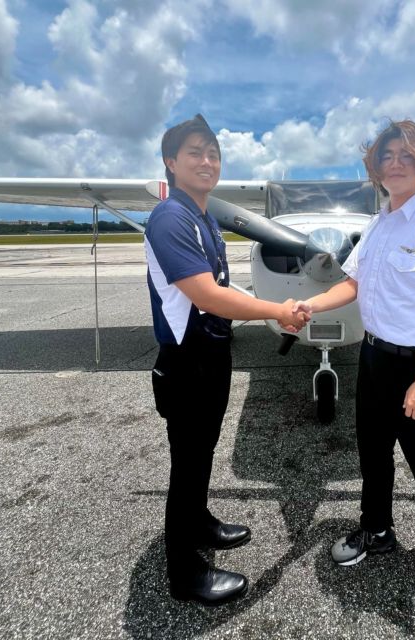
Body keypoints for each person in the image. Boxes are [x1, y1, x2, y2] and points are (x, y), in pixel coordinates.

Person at [293, 120, 415, 605]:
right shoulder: (376, 225)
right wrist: (309, 305)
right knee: (372, 454)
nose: (395, 163)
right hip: (372, 358)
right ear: (376, 167)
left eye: (406, 155)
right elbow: (352, 284)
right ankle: (377, 530)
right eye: (387, 156)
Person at [145, 114, 308, 606]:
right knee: (188, 462)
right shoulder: (171, 218)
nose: (207, 161)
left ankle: (198, 523)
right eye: (194, 152)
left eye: (213, 153)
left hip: (213, 354)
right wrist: (277, 312)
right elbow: (208, 295)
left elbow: (220, 288)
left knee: (204, 451)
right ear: (171, 162)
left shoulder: (204, 219)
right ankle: (184, 574)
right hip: (186, 359)